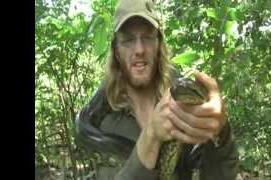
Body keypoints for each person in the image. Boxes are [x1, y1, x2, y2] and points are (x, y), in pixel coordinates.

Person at [75, 0, 239, 179]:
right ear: (116, 51)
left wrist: (221, 133)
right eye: (128, 40)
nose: (139, 49)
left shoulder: (185, 105)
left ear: (159, 44)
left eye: (147, 37)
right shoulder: (102, 124)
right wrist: (151, 136)